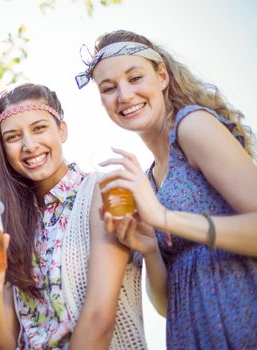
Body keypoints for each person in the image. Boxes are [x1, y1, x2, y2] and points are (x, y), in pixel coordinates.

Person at [75, 30, 257, 349]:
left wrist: (164, 217)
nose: (124, 95)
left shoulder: (192, 126)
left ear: (161, 76)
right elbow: (167, 306)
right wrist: (149, 248)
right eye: (109, 88)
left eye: (135, 78)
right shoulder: (148, 180)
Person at [0, 82, 147, 349]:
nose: (29, 145)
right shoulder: (9, 223)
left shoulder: (103, 192)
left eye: (39, 128)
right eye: (12, 137)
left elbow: (99, 320)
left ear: (62, 130)